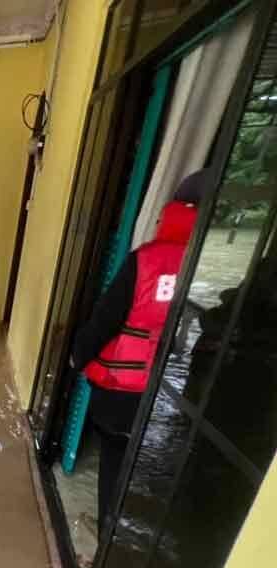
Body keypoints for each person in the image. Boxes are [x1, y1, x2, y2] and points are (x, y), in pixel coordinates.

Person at [72, 175, 202, 532]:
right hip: (178, 383)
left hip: (123, 383)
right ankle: (133, 534)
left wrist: (78, 356)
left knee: (115, 457)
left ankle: (108, 535)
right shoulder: (202, 262)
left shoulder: (146, 260)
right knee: (155, 460)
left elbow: (106, 319)